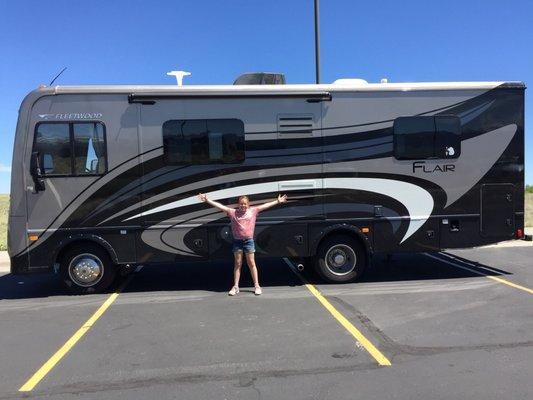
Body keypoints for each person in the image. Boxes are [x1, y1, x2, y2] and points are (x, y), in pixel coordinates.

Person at [198, 193, 288, 295]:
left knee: (252, 264)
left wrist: (278, 201)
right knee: (238, 264)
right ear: (238, 204)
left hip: (249, 241)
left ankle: (257, 286)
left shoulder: (253, 211)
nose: (243, 206)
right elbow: (221, 206)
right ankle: (235, 287)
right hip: (238, 242)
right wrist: (207, 200)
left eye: (245, 204)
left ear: (248, 205)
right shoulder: (233, 213)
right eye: (241, 204)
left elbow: (265, 205)